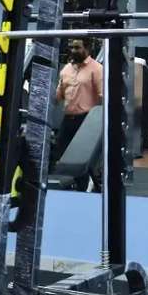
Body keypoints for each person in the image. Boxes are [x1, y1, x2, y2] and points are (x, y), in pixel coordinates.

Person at [51, 38, 103, 189]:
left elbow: (103, 96)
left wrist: (100, 121)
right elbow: (58, 96)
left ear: (87, 48)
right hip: (68, 119)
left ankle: (84, 189)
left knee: (82, 158)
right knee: (59, 154)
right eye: (72, 47)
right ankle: (69, 187)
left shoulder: (96, 69)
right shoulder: (66, 69)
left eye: (77, 47)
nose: (73, 51)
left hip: (87, 120)